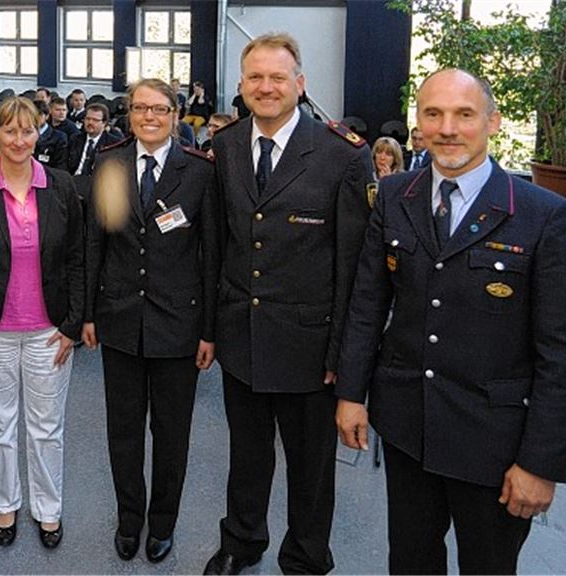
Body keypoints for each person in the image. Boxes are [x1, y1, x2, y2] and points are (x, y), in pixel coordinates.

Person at [336, 68, 566, 575]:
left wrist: (541, 464)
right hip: (408, 426)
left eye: (464, 114)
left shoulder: (543, 216)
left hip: (494, 443)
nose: (447, 128)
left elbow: (565, 352)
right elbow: (368, 302)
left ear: (493, 121)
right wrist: (351, 394)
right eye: (433, 114)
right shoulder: (395, 197)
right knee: (409, 562)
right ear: (420, 125)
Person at [204, 33, 373, 576]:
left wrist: (344, 359)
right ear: (241, 86)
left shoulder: (342, 155)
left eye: (278, 77)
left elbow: (353, 268)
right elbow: (223, 244)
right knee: (246, 457)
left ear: (300, 85)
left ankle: (305, 557)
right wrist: (213, 327)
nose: (266, 87)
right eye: (255, 77)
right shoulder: (227, 146)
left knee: (311, 468)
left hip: (310, 346)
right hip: (243, 336)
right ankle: (241, 542)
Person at [83, 78, 216, 564]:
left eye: (159, 109)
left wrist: (209, 331)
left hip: (179, 325)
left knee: (171, 432)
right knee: (123, 431)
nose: (149, 117)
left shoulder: (199, 171)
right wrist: (89, 314)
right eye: (140, 108)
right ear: (129, 113)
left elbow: (212, 253)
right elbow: (98, 239)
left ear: (176, 113)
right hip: (119, 318)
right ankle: (129, 520)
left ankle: (163, 524)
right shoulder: (110, 162)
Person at [0, 96, 84, 550]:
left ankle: (49, 510)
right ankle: (5, 503)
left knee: (47, 427)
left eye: (28, 131)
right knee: (0, 425)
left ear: (39, 133)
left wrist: (71, 326)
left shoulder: (62, 186)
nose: (19, 140)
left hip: (50, 330)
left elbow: (77, 259)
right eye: (10, 131)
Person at [66, 102, 119, 177]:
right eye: (88, 119)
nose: (90, 122)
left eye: (95, 120)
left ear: (104, 123)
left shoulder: (113, 143)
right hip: (73, 180)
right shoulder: (75, 139)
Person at [32, 100, 68, 170]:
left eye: (39, 114)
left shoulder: (59, 137)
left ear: (47, 116)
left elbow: (60, 165)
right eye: (32, 114)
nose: (35, 118)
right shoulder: (23, 135)